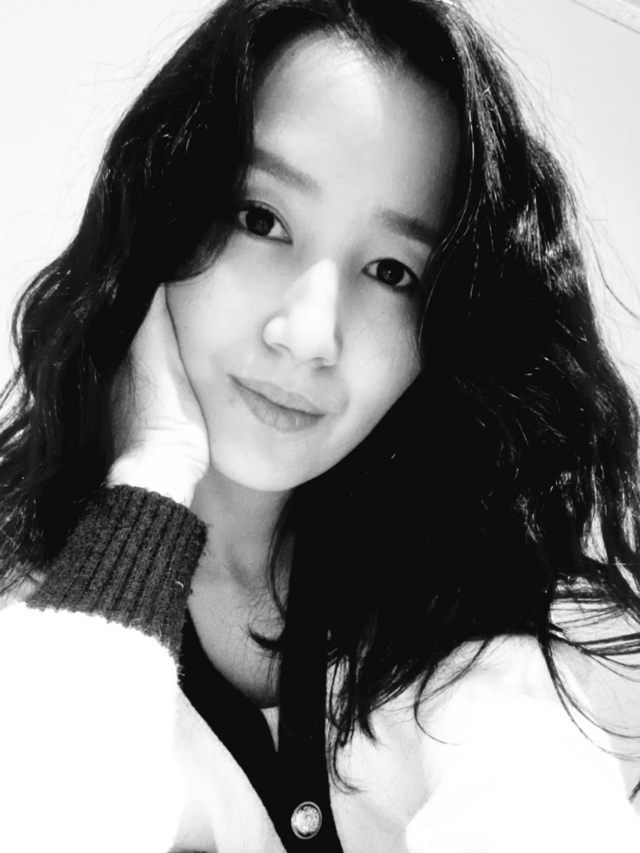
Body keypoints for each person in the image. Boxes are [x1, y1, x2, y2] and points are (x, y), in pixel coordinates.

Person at [0, 0, 639, 850]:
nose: (309, 334)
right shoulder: (27, 600)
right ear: (163, 213)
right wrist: (149, 487)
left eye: (392, 271)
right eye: (260, 219)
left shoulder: (466, 614)